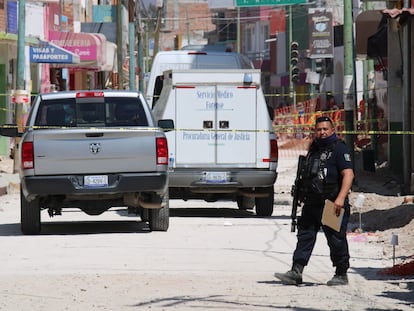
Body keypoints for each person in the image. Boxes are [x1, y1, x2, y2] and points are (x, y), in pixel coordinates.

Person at [274, 116, 354, 286]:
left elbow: (348, 174)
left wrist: (340, 198)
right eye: (319, 129)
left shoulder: (339, 149)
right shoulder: (314, 148)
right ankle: (296, 271)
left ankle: (341, 273)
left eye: (325, 129)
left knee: (336, 239)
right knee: (305, 236)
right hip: (312, 203)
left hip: (332, 202)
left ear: (333, 130)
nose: (322, 132)